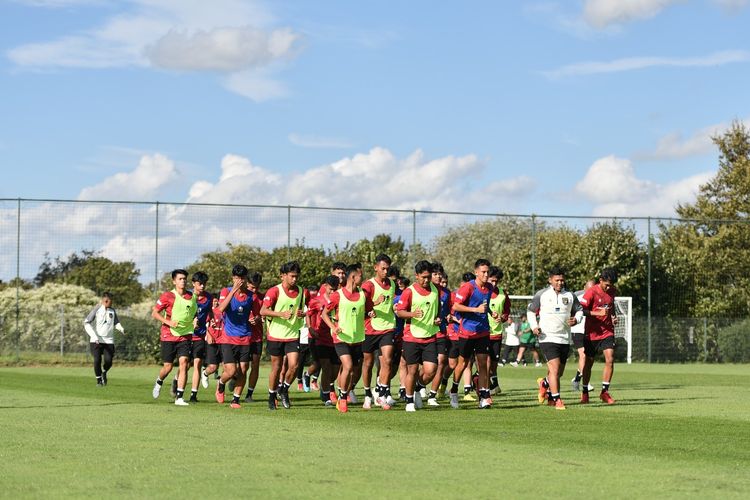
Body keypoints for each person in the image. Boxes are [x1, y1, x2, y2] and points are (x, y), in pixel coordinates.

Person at [527, 266, 583, 410]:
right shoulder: (542, 294)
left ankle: (545, 384)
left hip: (564, 338)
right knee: (554, 369)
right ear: (550, 280)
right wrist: (534, 327)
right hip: (546, 337)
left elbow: (579, 310)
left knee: (558, 373)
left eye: (562, 280)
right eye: (557, 280)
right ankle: (557, 399)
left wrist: (576, 320)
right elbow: (531, 312)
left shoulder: (570, 295)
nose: (560, 283)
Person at [322, 263, 373, 413]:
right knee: (348, 365)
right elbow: (324, 314)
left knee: (353, 371)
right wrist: (333, 327)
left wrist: (370, 313)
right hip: (341, 337)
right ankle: (342, 398)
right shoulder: (338, 295)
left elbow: (368, 309)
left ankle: (342, 393)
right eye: (360, 275)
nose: (362, 278)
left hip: (357, 338)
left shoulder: (363, 295)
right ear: (353, 277)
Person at [261, 260, 309, 410]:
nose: (295, 279)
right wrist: (280, 314)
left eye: (297, 276)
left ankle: (284, 390)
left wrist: (302, 314)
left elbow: (302, 311)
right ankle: (271, 396)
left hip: (293, 335)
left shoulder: (302, 291)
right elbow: (263, 311)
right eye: (292, 276)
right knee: (276, 367)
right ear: (283, 276)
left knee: (294, 365)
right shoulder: (274, 291)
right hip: (275, 335)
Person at [395, 260, 442, 412]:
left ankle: (418, 388)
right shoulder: (409, 291)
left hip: (430, 336)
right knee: (412, 370)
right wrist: (412, 314)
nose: (427, 280)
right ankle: (409, 401)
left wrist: (437, 318)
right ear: (416, 276)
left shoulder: (436, 290)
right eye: (423, 277)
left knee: (431, 370)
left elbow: (436, 310)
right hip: (412, 337)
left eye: (428, 277)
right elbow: (400, 311)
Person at [450, 259, 496, 409]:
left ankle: (483, 397)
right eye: (483, 272)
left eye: (487, 272)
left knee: (484, 364)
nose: (486, 274)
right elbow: (456, 306)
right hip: (467, 332)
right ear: (476, 272)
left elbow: (484, 305)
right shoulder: (468, 287)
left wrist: (491, 312)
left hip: (483, 331)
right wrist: (475, 310)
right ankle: (454, 390)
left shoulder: (489, 287)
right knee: (462, 364)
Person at [151, 269, 197, 406]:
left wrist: (195, 320)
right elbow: (155, 313)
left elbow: (191, 313)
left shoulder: (191, 296)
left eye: (184, 279)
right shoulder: (167, 296)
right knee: (168, 367)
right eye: (180, 279)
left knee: (184, 363)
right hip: (168, 335)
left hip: (185, 336)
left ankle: (179, 397)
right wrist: (169, 322)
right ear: (174, 281)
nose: (183, 281)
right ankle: (159, 381)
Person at [361, 253, 397, 410]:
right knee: (368, 363)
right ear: (376, 268)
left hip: (387, 327)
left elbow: (392, 304)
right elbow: (359, 305)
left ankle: (381, 393)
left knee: (387, 360)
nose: (385, 272)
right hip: (370, 329)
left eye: (387, 269)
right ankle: (367, 393)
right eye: (383, 268)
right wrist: (374, 305)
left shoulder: (392, 284)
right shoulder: (368, 285)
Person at [216, 264, 254, 409]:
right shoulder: (226, 291)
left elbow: (258, 312)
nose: (240, 281)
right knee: (231, 371)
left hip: (245, 337)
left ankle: (235, 399)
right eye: (237, 278)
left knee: (244, 369)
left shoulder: (250, 296)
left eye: (242, 278)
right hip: (228, 337)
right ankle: (221, 383)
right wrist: (233, 291)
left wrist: (256, 319)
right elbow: (221, 309)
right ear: (233, 278)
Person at [580, 268, 619, 404]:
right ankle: (585, 392)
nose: (609, 287)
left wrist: (613, 316)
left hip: (607, 331)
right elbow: (581, 311)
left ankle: (604, 392)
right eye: (606, 284)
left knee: (610, 358)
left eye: (611, 285)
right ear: (600, 280)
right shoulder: (591, 292)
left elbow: (611, 306)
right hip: (591, 333)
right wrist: (598, 313)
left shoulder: (613, 291)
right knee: (589, 362)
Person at [307, 275, 342, 405]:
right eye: (330, 289)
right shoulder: (316, 300)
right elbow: (308, 314)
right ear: (325, 286)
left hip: (337, 338)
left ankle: (325, 386)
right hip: (322, 339)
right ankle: (326, 395)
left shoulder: (340, 299)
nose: (332, 292)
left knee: (335, 370)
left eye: (335, 289)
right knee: (326, 367)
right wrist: (310, 328)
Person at [83, 292, 125, 386]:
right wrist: (94, 336)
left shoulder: (112, 311)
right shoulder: (97, 309)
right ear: (105, 301)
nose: (111, 304)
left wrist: (121, 329)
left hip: (109, 341)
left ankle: (104, 372)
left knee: (109, 361)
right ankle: (99, 381)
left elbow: (116, 323)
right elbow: (86, 322)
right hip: (96, 341)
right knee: (97, 360)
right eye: (110, 302)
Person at [427, 263, 452, 405]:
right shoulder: (423, 291)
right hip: (424, 333)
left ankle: (432, 395)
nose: (437, 277)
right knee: (426, 367)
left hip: (441, 332)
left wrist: (447, 317)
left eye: (439, 274)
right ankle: (417, 387)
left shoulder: (446, 293)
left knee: (442, 361)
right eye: (435, 274)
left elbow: (447, 311)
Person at [487, 266, 510, 395]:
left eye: (496, 281)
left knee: (494, 362)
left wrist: (503, 317)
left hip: (497, 333)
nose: (494, 283)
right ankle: (483, 386)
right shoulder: (482, 292)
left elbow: (507, 311)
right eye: (492, 280)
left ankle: (492, 383)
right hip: (483, 333)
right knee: (486, 362)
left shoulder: (503, 294)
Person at [189, 271, 212, 402]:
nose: (202, 286)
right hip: (186, 335)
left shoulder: (208, 297)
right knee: (185, 364)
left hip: (200, 335)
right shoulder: (187, 297)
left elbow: (210, 312)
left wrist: (210, 325)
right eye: (200, 284)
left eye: (204, 284)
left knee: (197, 363)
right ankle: (176, 381)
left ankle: (193, 395)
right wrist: (191, 322)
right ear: (193, 284)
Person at [571, 279, 595, 391]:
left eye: (593, 288)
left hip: (589, 331)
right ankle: (586, 383)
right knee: (583, 355)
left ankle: (577, 379)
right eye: (589, 288)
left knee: (589, 358)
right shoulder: (577, 297)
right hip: (578, 330)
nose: (591, 290)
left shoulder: (597, 297)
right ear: (584, 288)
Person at [244, 272, 265, 403]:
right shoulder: (241, 296)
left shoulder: (263, 297)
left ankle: (249, 394)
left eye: (256, 287)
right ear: (247, 284)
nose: (254, 290)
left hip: (256, 336)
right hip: (242, 335)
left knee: (255, 364)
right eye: (252, 287)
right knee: (242, 366)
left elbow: (266, 313)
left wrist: (259, 317)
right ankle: (234, 379)